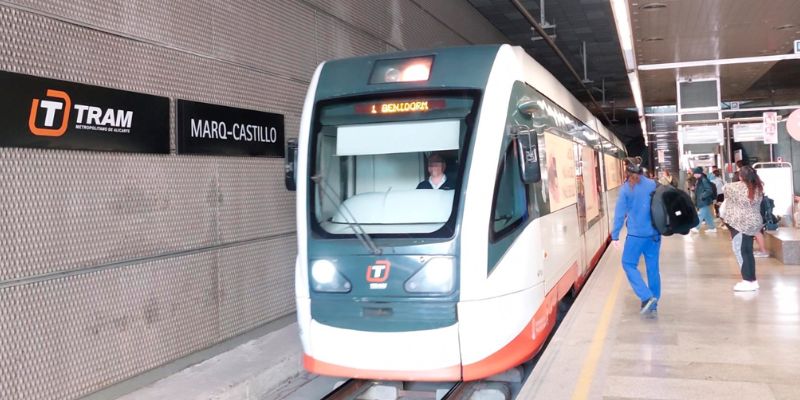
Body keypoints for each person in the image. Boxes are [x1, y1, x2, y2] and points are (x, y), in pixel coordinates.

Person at [612, 157, 661, 315]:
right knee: (653, 268)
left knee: (628, 263)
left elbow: (620, 215)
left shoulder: (626, 189)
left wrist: (615, 235)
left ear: (627, 171)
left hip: (636, 236)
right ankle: (653, 304)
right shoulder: (653, 184)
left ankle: (646, 296)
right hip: (654, 234)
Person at [723, 165, 764, 291]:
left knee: (741, 251)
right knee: (747, 252)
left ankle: (747, 280)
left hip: (740, 223)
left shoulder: (733, 187)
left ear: (741, 176)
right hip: (753, 222)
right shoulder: (758, 187)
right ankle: (752, 280)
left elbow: (725, 189)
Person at [690, 166, 717, 233]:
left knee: (701, 215)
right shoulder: (699, 180)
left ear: (698, 173)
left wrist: (702, 196)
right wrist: (694, 190)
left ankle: (696, 227)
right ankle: (712, 228)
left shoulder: (703, 180)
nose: (693, 175)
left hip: (704, 200)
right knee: (707, 215)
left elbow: (709, 190)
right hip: (702, 200)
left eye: (694, 174)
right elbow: (701, 190)